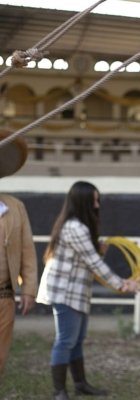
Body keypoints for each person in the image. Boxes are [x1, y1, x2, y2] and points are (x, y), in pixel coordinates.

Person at [36, 181, 140, 400]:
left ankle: (80, 384)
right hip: (65, 291)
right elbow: (94, 264)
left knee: (76, 339)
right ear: (82, 202)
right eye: (93, 199)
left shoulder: (77, 226)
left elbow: (87, 261)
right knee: (65, 340)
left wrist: (98, 251)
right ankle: (59, 391)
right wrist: (123, 284)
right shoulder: (75, 227)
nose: (96, 204)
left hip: (76, 291)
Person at [0, 129, 38, 377]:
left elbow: (28, 250)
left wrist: (28, 290)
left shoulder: (14, 207)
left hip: (4, 296)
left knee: (1, 352)